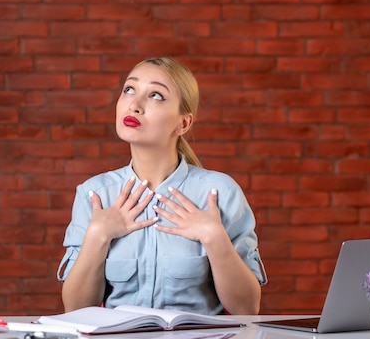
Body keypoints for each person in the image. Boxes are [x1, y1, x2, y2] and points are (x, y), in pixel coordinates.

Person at [57, 57, 267, 315]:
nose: (134, 105)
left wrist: (214, 238)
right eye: (129, 90)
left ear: (184, 123)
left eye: (155, 95)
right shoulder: (95, 195)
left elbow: (247, 308)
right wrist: (98, 235)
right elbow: (76, 309)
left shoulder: (219, 192)